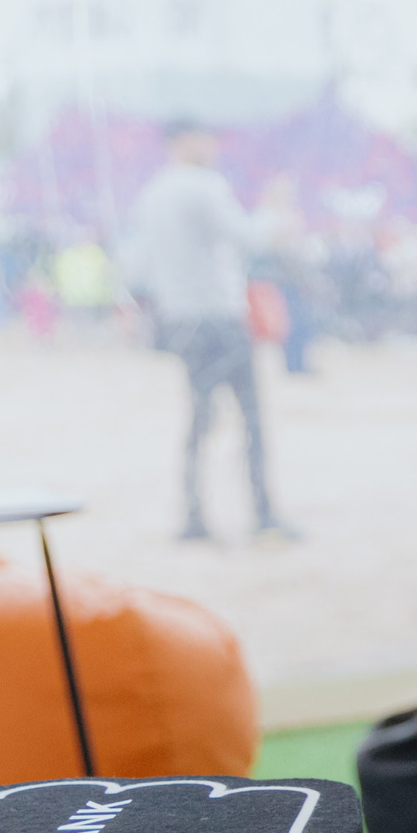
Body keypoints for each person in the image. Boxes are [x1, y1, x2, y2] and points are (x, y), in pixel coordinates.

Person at [126, 120, 295, 542]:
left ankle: (194, 516)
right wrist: (274, 208)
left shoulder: (152, 193)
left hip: (180, 320)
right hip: (219, 319)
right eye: (207, 139)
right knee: (250, 420)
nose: (214, 147)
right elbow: (250, 237)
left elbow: (140, 266)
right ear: (184, 141)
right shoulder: (205, 187)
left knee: (199, 421)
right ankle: (263, 515)